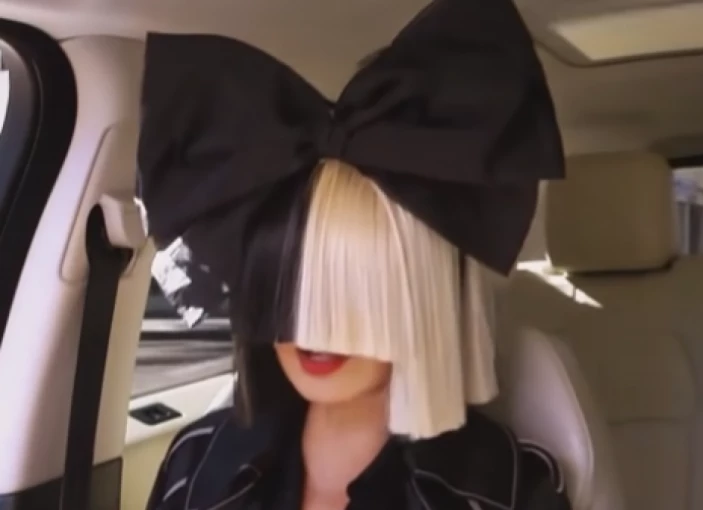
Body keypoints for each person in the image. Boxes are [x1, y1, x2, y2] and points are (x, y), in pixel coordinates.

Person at [137, 0, 569, 508]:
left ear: (422, 294)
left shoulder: (510, 491)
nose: (313, 323)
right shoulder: (194, 464)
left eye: (353, 285)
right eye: (293, 283)